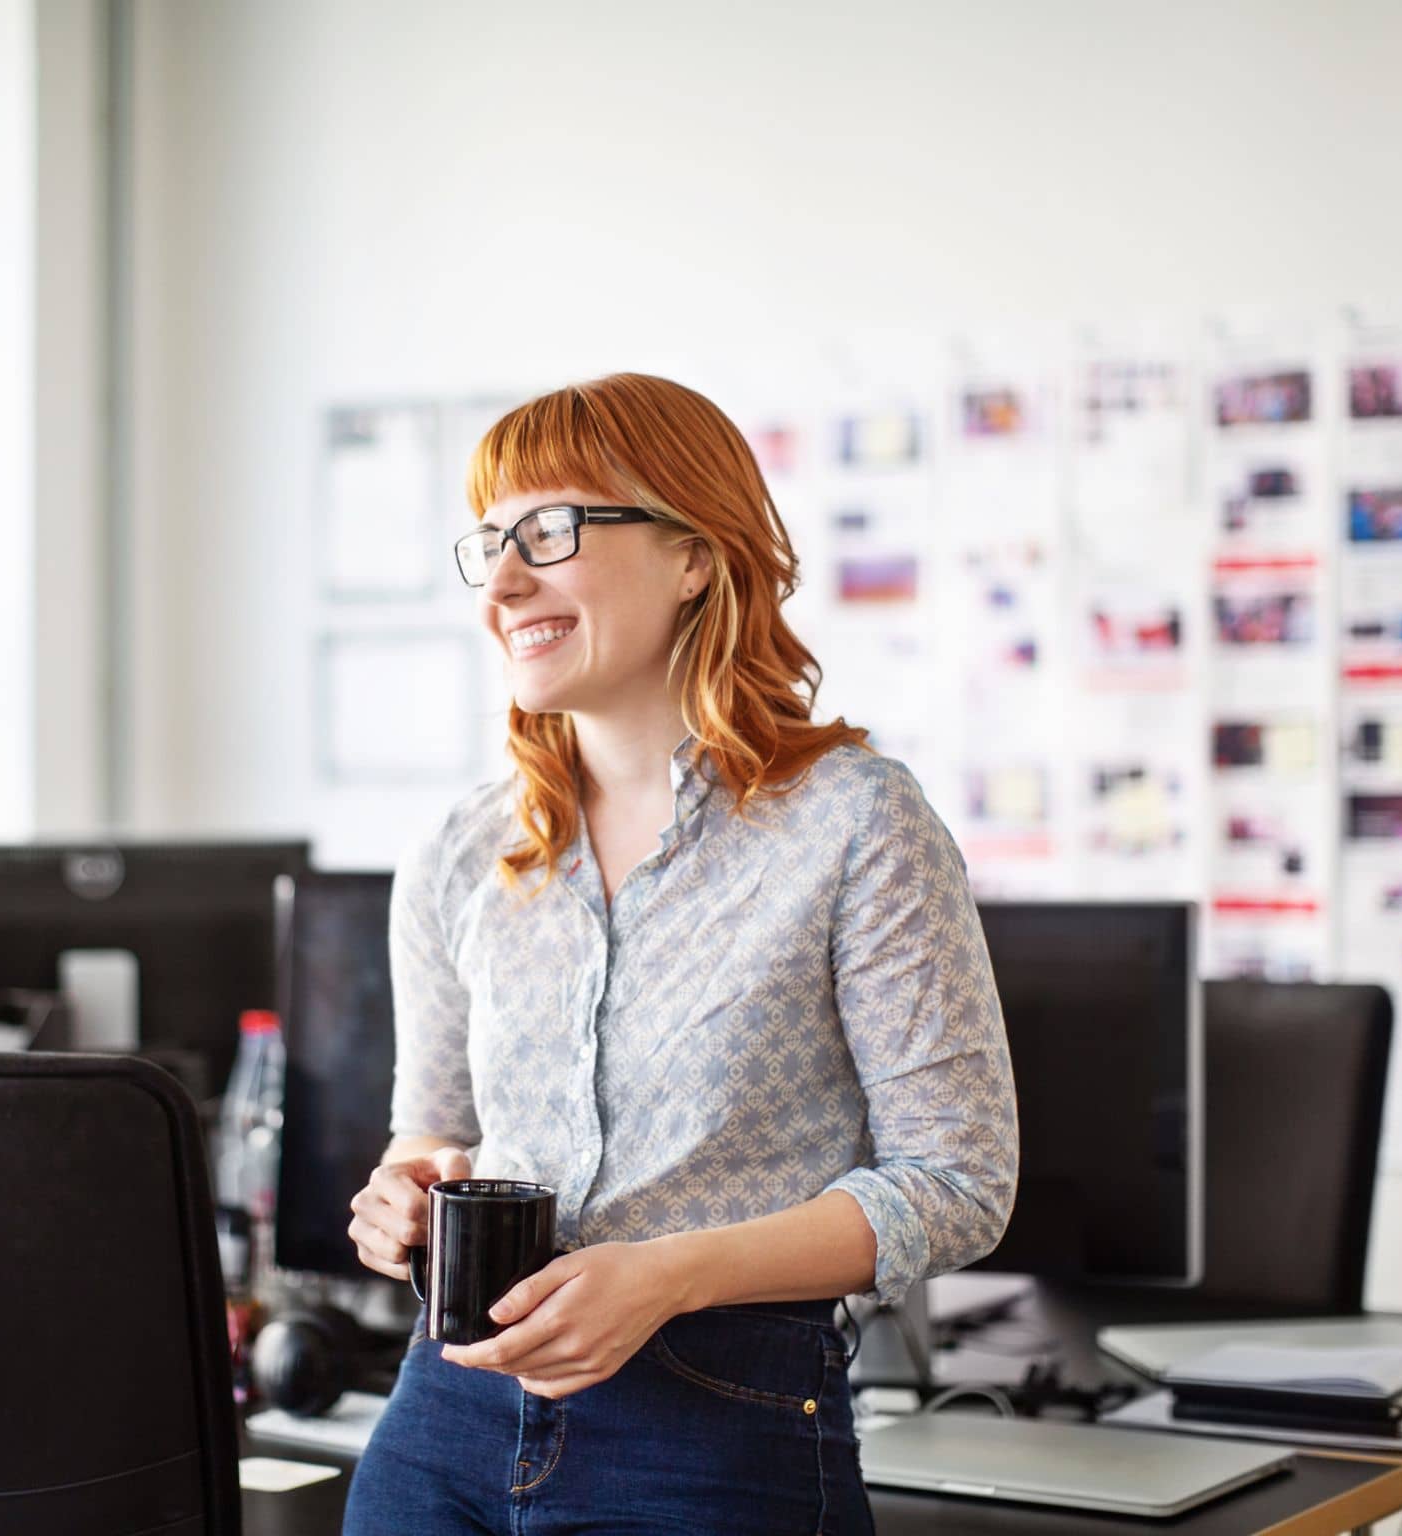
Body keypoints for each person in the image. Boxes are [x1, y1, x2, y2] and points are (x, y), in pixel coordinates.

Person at [342, 373, 1018, 1534]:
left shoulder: (853, 823)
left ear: (694, 552)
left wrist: (665, 1275)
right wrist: (400, 1195)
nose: (503, 582)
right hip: (443, 1422)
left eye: (548, 532)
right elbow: (431, 1131)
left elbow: (955, 1186)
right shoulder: (459, 852)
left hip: (716, 1425)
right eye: (489, 542)